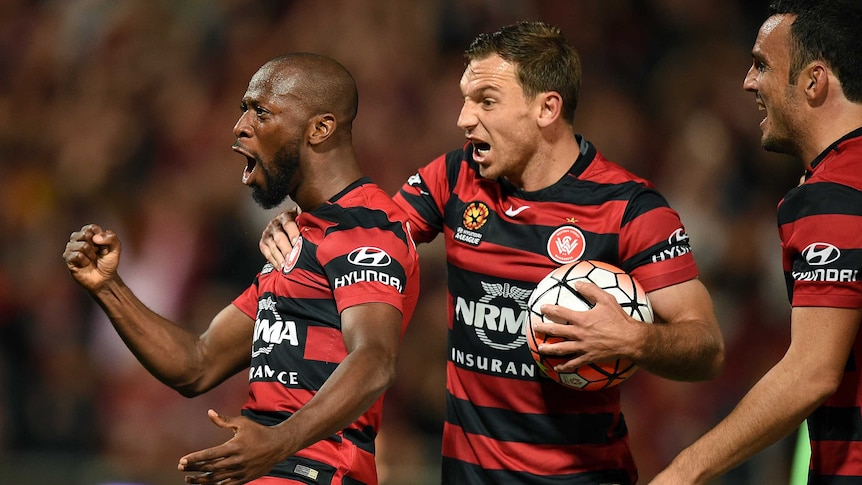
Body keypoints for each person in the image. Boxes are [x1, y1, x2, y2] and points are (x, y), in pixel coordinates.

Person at [261, 21, 724, 484]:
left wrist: (634, 339)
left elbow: (707, 346)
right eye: (465, 99)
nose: (464, 119)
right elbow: (365, 243)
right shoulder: (455, 178)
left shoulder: (630, 210)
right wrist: (303, 228)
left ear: (547, 108)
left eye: (485, 100)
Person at [63, 53, 420, 485]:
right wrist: (108, 288)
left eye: (261, 112)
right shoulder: (298, 239)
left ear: (320, 129)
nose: (240, 127)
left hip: (318, 472)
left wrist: (279, 440)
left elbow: (376, 359)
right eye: (243, 109)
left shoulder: (365, 229)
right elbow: (198, 363)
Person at [650, 1, 862, 483]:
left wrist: (684, 470)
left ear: (814, 80)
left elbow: (811, 373)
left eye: (762, 65)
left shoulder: (832, 195)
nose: (748, 82)